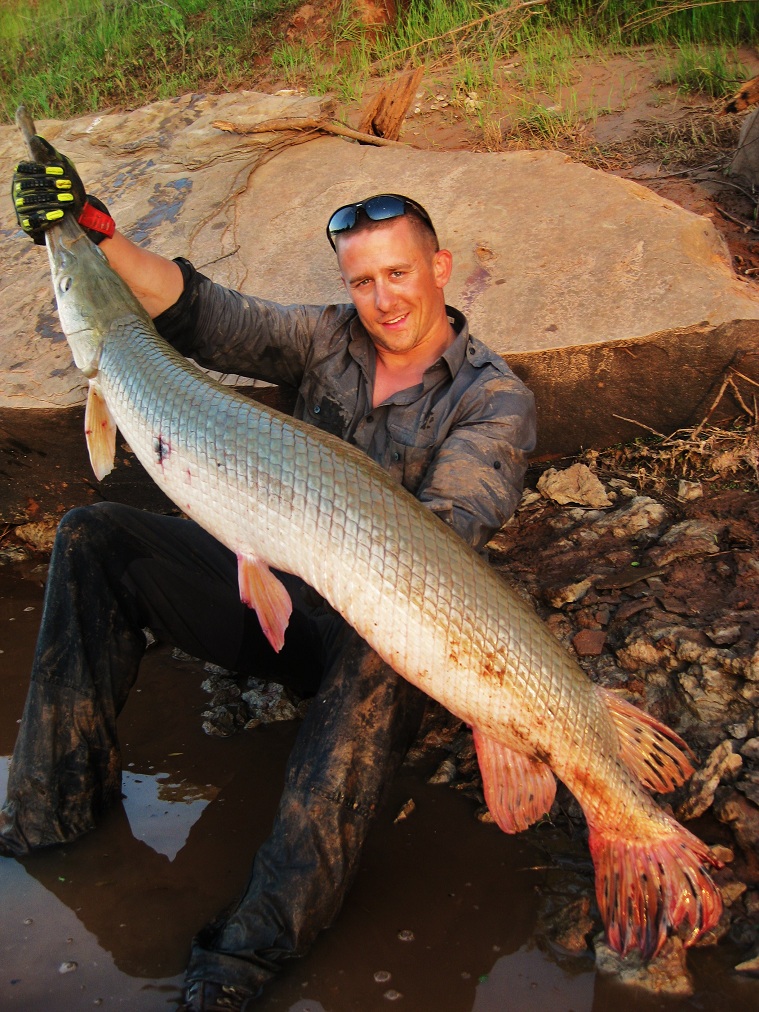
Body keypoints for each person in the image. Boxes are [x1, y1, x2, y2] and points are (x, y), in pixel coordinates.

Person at [5, 141, 536, 1011]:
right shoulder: (325, 339)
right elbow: (202, 313)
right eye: (362, 282)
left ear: (439, 270)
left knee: (375, 642)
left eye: (398, 274)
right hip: (281, 608)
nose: (382, 300)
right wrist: (94, 231)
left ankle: (254, 949)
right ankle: (47, 819)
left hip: (396, 637)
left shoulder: (492, 399)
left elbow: (446, 541)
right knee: (92, 535)